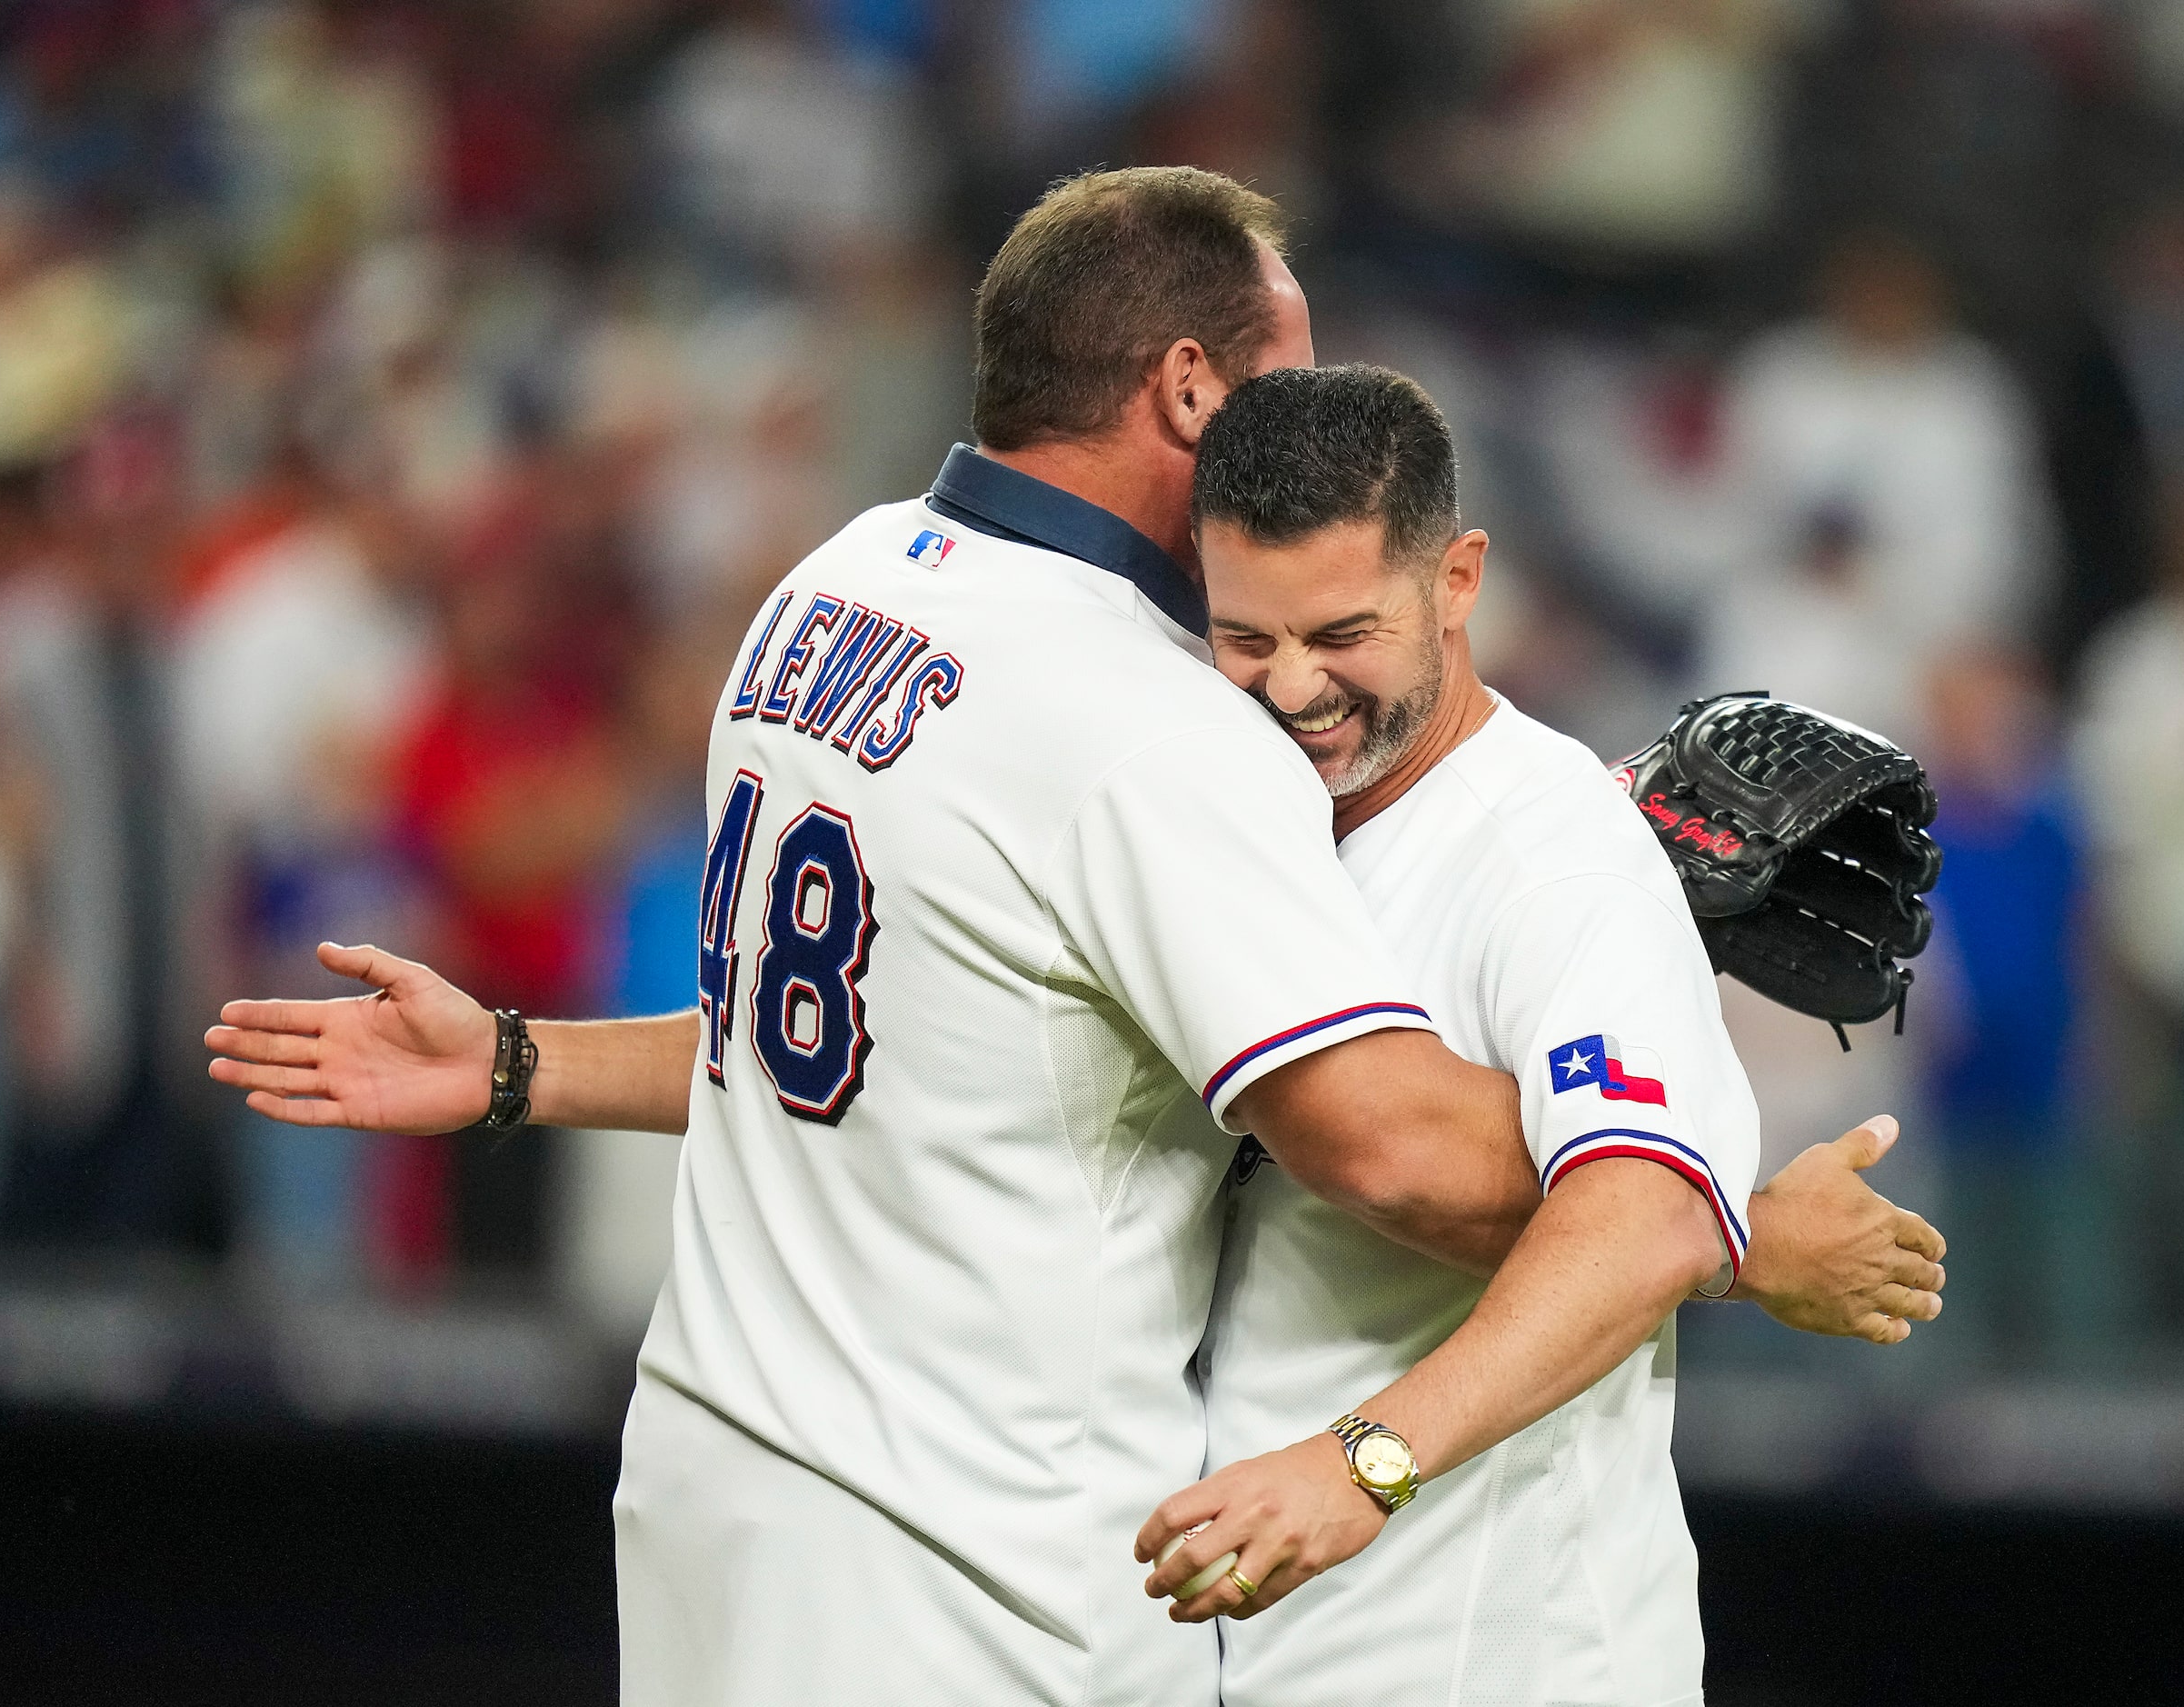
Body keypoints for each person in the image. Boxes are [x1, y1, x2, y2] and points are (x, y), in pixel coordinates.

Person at [206, 168, 1939, 1704]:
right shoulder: (1147, 722)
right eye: (1288, 354)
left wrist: (526, 1062)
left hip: (727, 1486)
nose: (1308, 396)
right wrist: (1714, 1218)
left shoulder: (835, 585)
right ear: (1190, 384)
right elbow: (1396, 1147)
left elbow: (893, 1027)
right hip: (966, 1569)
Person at [1135, 366, 1940, 1702]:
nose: (1291, 686)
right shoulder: (1246, 821)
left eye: (1342, 631)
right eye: (1247, 638)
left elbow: (1638, 1221)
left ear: (1456, 581)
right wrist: (1745, 1231)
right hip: (1275, 1637)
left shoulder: (1550, 857)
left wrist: (1361, 1461)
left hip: (1501, 1654)